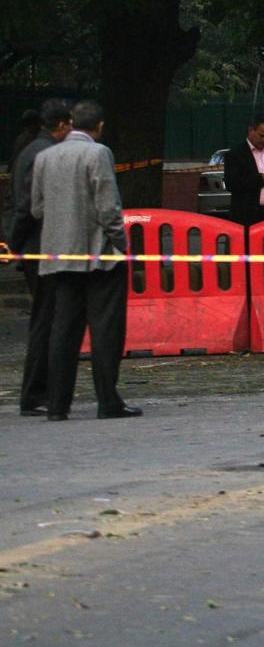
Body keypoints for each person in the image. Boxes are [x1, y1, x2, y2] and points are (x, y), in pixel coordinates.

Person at [29, 100, 140, 421]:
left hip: (59, 256)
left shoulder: (45, 157)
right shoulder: (99, 154)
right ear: (100, 126)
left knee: (63, 330)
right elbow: (108, 208)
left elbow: (37, 208)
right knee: (105, 331)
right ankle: (108, 401)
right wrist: (121, 243)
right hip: (99, 256)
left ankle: (57, 404)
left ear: (72, 123)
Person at [10, 99, 71, 416]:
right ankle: (35, 392)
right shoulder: (43, 154)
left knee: (45, 318)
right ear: (60, 125)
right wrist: (14, 244)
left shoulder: (31, 150)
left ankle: (39, 390)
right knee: (45, 321)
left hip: (35, 245)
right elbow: (28, 206)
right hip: (39, 245)